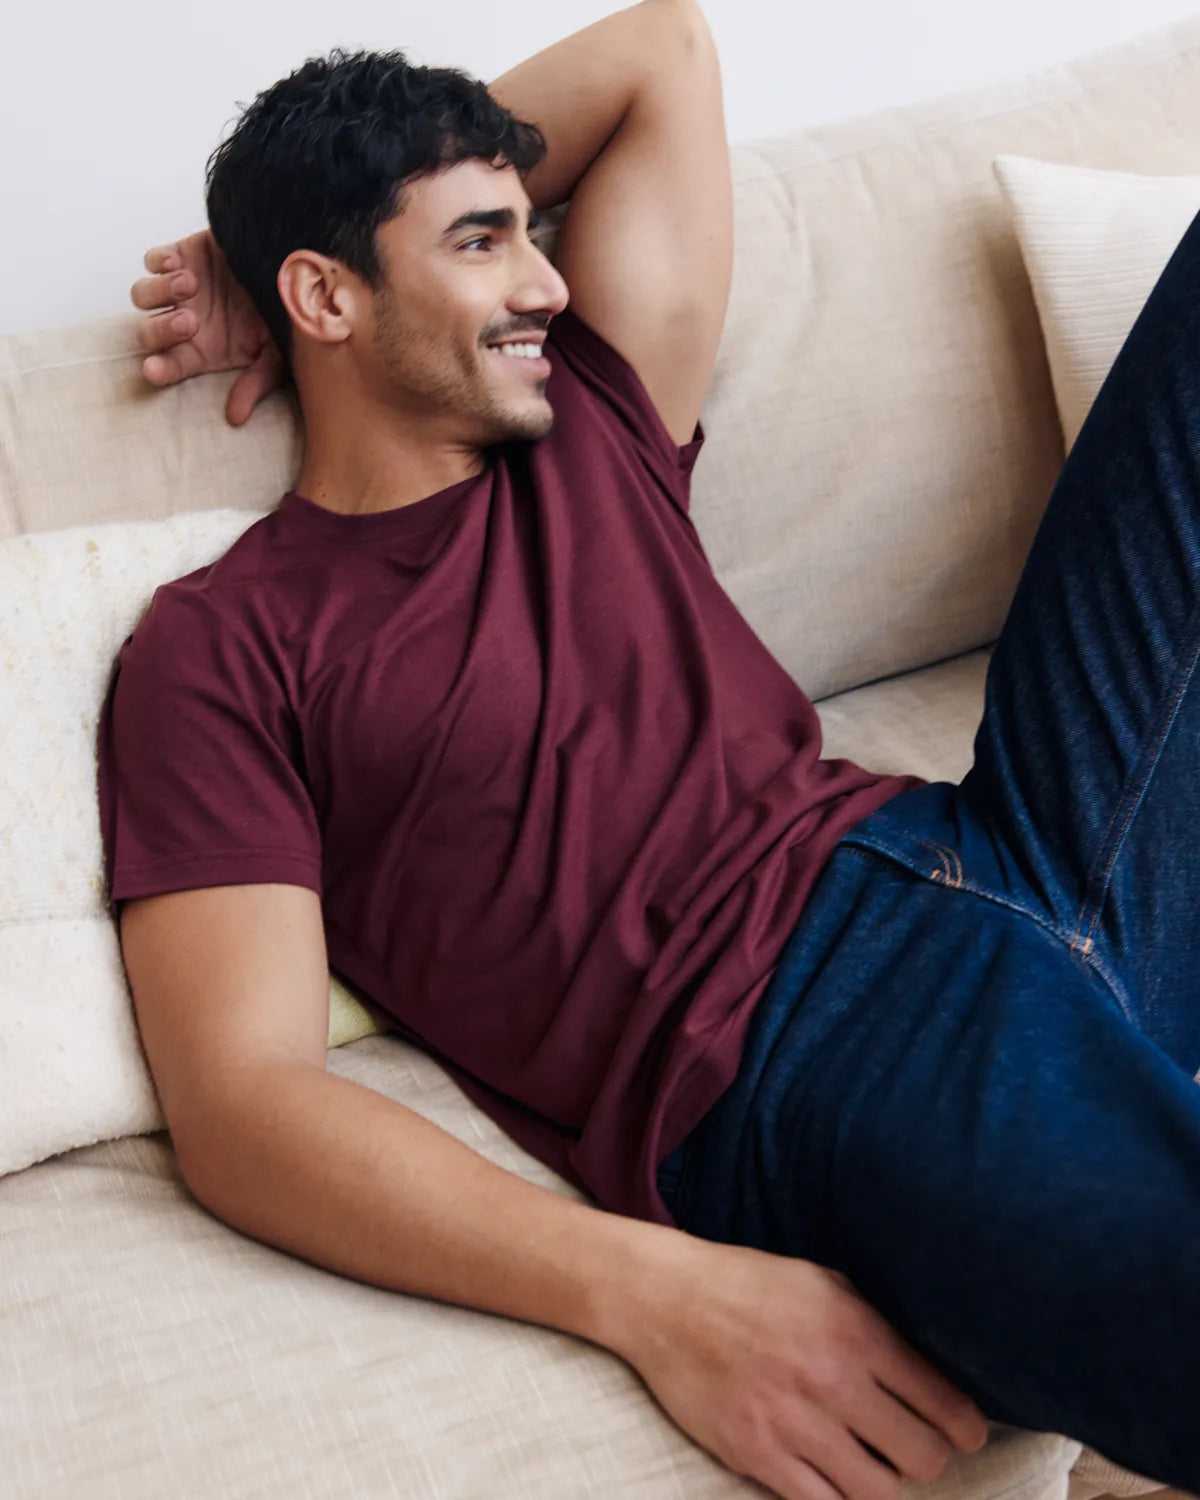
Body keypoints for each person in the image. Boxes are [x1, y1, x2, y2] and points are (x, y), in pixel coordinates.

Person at [101, 2, 1200, 1497]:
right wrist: (653, 1292)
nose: (547, 277)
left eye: (529, 230)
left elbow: (665, 50)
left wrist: (270, 246)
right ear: (330, 298)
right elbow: (246, 1106)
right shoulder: (222, 647)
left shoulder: (596, 423)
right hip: (800, 1054)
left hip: (996, 840)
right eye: (485, 239)